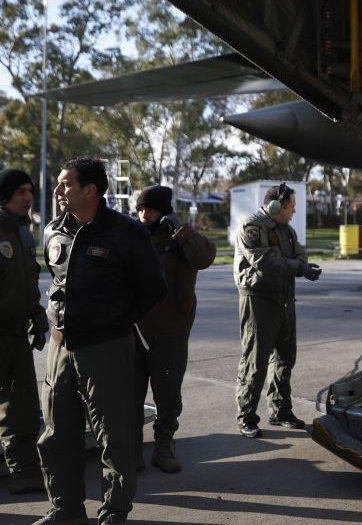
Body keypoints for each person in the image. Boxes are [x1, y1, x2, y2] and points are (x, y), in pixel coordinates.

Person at [35, 158, 166, 525]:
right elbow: (56, 282)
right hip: (60, 348)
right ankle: (65, 509)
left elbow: (153, 290)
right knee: (57, 434)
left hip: (107, 348)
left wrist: (114, 321)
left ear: (90, 190)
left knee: (114, 436)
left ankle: (114, 511)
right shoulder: (53, 231)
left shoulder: (126, 233)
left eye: (65, 185)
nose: (58, 191)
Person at [133, 185, 216, 473]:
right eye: (141, 208)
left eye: (151, 209)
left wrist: (182, 232)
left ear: (164, 211)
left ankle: (163, 444)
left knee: (167, 395)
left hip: (171, 329)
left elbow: (204, 258)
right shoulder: (132, 234)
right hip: (134, 328)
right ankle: (131, 448)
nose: (145, 214)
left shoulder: (179, 237)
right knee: (130, 393)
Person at [234, 183, 321, 438]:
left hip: (284, 297)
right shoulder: (252, 227)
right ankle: (246, 416)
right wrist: (297, 267)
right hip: (259, 299)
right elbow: (263, 260)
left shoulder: (287, 231)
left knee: (285, 357)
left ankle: (280, 410)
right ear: (277, 206)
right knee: (255, 361)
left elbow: (299, 255)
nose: (293, 211)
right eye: (291, 206)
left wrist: (302, 266)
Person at [0, 169, 47, 495]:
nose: (28, 197)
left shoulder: (22, 231)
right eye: (21, 192)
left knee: (23, 406)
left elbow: (27, 278)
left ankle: (23, 471)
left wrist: (36, 312)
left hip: (16, 332)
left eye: (29, 191)